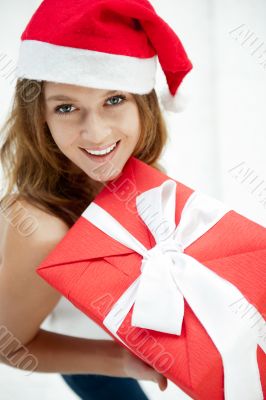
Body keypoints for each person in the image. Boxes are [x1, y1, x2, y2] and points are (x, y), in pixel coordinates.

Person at [0, 0, 192, 399]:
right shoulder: (42, 231)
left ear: (144, 106)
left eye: (114, 99)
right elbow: (9, 344)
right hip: (90, 355)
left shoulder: (145, 172)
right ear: (42, 119)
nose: (96, 134)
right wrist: (118, 360)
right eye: (66, 107)